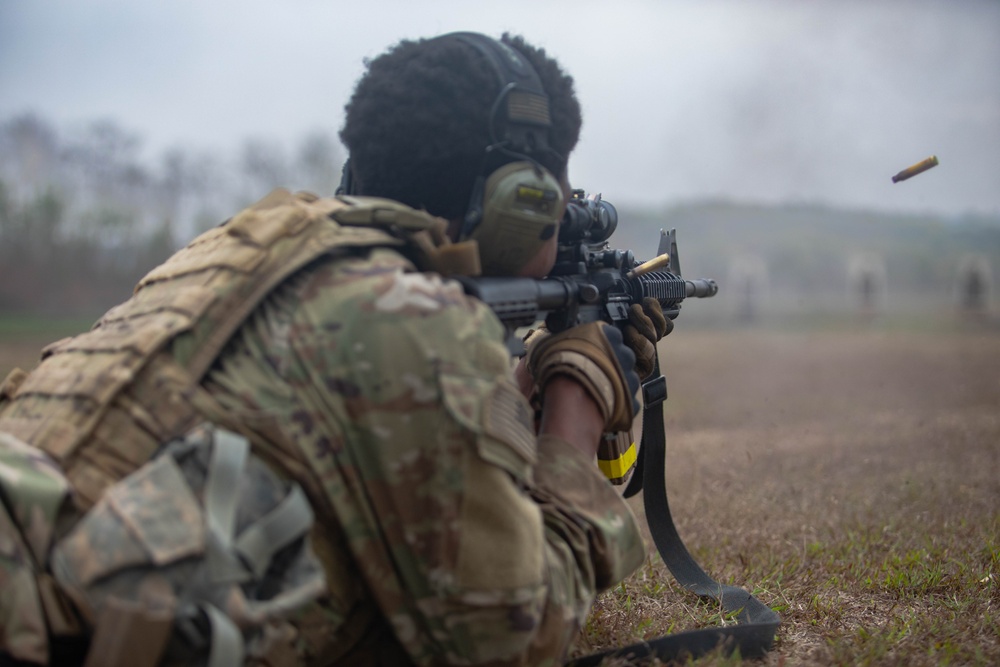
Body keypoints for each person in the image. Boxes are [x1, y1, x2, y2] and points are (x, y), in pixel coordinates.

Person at [0, 32, 668, 665]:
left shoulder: (232, 252)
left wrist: (508, 392)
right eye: (553, 215)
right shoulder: (407, 321)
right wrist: (579, 400)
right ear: (517, 206)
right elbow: (516, 638)